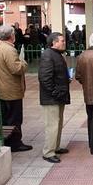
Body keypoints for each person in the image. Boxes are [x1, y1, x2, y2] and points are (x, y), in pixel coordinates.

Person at [0, 25, 32, 152]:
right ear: (12, 35)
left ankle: (8, 141)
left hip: (3, 87)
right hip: (11, 89)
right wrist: (24, 63)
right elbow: (16, 68)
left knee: (7, 117)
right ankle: (15, 142)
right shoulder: (9, 49)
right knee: (15, 118)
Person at [38, 32, 71, 163]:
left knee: (58, 123)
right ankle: (48, 152)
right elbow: (44, 78)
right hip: (51, 98)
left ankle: (55, 147)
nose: (64, 43)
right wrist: (54, 91)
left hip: (58, 95)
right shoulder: (48, 55)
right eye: (62, 41)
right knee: (52, 125)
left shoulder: (56, 54)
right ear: (54, 42)